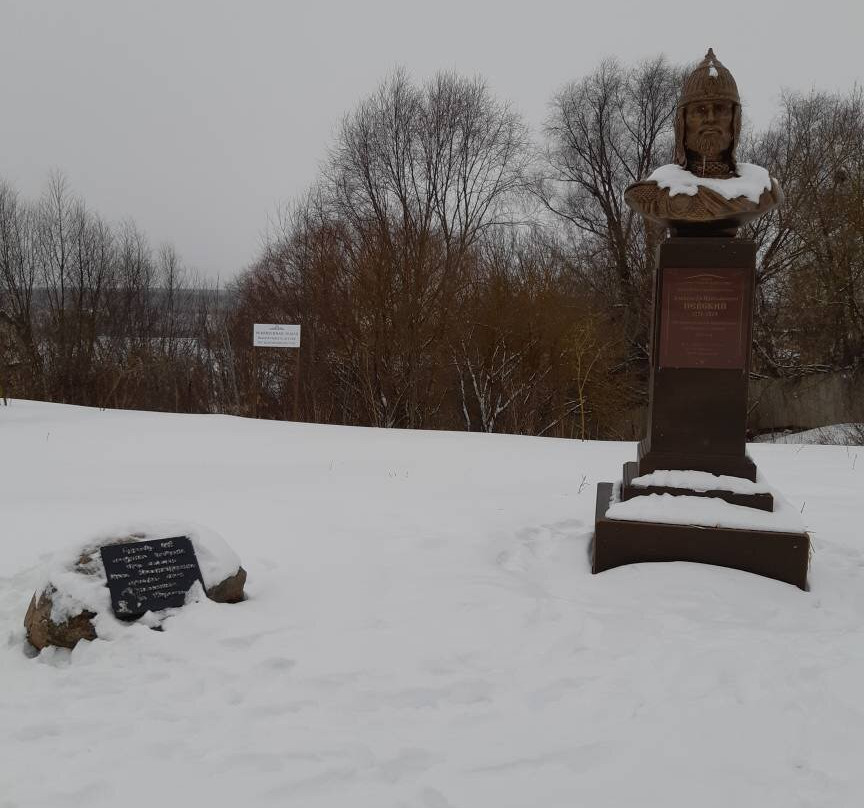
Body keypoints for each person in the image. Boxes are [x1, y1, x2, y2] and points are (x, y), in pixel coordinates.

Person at [624, 48, 782, 236]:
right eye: (700, 110)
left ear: (735, 120)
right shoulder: (653, 195)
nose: (710, 118)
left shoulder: (763, 192)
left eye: (721, 109)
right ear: (682, 122)